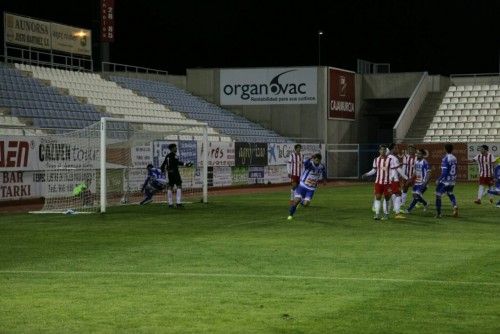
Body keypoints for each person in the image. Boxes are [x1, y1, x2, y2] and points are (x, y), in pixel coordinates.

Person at [287, 153, 327, 220]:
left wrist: (324, 180)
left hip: (311, 189)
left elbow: (324, 173)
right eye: (315, 160)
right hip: (302, 186)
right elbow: (305, 163)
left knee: (306, 204)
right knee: (296, 201)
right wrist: (310, 157)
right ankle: (290, 215)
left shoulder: (321, 166)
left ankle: (302, 201)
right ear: (313, 159)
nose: (317, 161)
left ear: (320, 160)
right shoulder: (310, 164)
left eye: (318, 160)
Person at [362, 145, 393, 220]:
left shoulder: (390, 160)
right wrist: (367, 174)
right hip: (378, 182)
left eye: (384, 150)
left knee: (387, 198)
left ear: (386, 151)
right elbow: (374, 170)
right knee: (378, 197)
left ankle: (386, 214)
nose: (383, 151)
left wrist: (392, 179)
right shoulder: (376, 160)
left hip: (387, 183)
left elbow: (393, 170)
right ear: (379, 151)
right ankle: (377, 214)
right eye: (381, 150)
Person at [160, 143, 193, 208]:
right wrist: (186, 164)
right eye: (175, 147)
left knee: (170, 187)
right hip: (175, 172)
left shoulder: (167, 156)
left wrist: (163, 171)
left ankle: (170, 203)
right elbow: (177, 162)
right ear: (172, 149)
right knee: (179, 185)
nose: (176, 149)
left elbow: (163, 165)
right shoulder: (174, 155)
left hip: (169, 173)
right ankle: (178, 203)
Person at [435, 143, 459, 218]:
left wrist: (439, 179)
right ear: (452, 149)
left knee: (438, 195)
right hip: (452, 180)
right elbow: (456, 168)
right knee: (450, 193)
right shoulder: (454, 158)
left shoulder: (445, 158)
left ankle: (439, 214)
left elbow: (444, 172)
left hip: (445, 181)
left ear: (445, 149)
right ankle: (455, 206)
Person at [404, 149, 431, 214]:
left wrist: (425, 182)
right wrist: (410, 179)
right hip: (417, 182)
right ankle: (425, 203)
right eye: (417, 154)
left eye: (420, 154)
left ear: (423, 155)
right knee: (415, 196)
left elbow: (428, 173)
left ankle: (409, 209)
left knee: (417, 195)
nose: (418, 155)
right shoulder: (416, 162)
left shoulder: (425, 162)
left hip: (423, 182)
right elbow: (415, 172)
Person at [387, 143, 408, 218]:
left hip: (389, 179)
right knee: (398, 195)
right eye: (396, 148)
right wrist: (406, 177)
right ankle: (397, 213)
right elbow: (398, 169)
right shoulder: (394, 158)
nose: (398, 150)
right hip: (394, 179)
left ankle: (390, 211)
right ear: (392, 149)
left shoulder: (388, 157)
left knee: (392, 195)